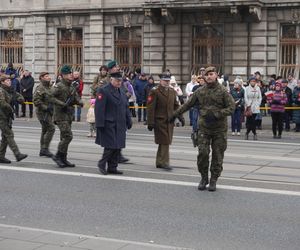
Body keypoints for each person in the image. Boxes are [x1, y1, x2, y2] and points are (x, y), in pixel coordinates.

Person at [170, 66, 235, 191]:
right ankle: (204, 178)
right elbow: (188, 104)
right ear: (204, 77)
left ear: (216, 75)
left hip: (219, 130)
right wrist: (174, 114)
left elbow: (232, 108)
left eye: (211, 74)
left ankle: (213, 180)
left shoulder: (222, 91)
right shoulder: (200, 91)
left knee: (218, 156)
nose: (209, 76)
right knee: (203, 154)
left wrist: (217, 114)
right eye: (207, 74)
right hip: (204, 128)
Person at [95, 71, 132, 175]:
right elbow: (99, 109)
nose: (119, 82)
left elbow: (126, 107)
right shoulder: (104, 90)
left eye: (120, 80)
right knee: (110, 146)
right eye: (116, 80)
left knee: (118, 146)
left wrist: (129, 120)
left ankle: (112, 167)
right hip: (108, 123)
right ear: (111, 80)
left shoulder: (121, 91)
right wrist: (100, 124)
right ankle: (102, 163)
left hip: (120, 123)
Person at [147, 71, 184, 171]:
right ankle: (164, 162)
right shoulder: (155, 91)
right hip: (159, 120)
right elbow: (151, 108)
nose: (166, 82)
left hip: (169, 121)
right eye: (165, 80)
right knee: (165, 141)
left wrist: (181, 117)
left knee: (163, 142)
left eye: (168, 80)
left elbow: (176, 106)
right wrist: (150, 122)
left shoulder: (172, 91)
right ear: (160, 80)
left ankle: (159, 162)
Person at [51, 65, 83, 168]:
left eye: (71, 73)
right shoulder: (59, 86)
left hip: (68, 115)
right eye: (69, 74)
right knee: (68, 136)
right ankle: (57, 156)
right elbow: (50, 97)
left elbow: (76, 98)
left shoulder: (72, 86)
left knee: (63, 137)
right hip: (60, 115)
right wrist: (61, 104)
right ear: (63, 75)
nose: (71, 75)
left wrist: (80, 102)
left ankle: (63, 159)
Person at [33, 72, 66, 157]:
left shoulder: (50, 87)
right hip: (42, 112)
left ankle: (42, 150)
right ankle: (45, 149)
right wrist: (45, 107)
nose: (48, 77)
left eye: (48, 76)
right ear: (42, 78)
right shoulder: (40, 88)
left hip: (49, 112)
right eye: (46, 76)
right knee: (51, 128)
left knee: (44, 130)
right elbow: (36, 101)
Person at [0, 74, 28, 163]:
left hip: (7, 116)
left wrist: (19, 99)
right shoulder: (1, 91)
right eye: (7, 81)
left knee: (5, 137)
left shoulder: (10, 90)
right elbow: (2, 103)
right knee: (9, 135)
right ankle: (17, 154)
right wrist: (12, 110)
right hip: (1, 116)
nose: (9, 82)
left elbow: (20, 97)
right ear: (2, 82)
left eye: (10, 80)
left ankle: (1, 156)